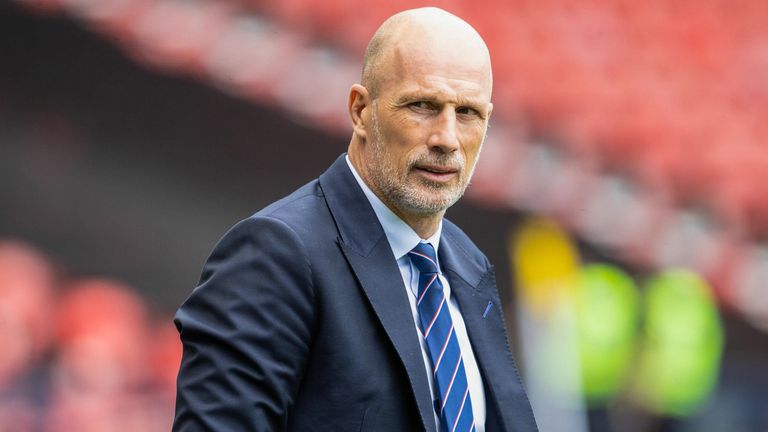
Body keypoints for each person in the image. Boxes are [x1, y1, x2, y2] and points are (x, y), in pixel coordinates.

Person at [173, 7, 538, 432]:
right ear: (361, 110)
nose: (447, 138)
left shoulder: (467, 262)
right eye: (422, 105)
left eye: (468, 113)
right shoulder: (277, 254)